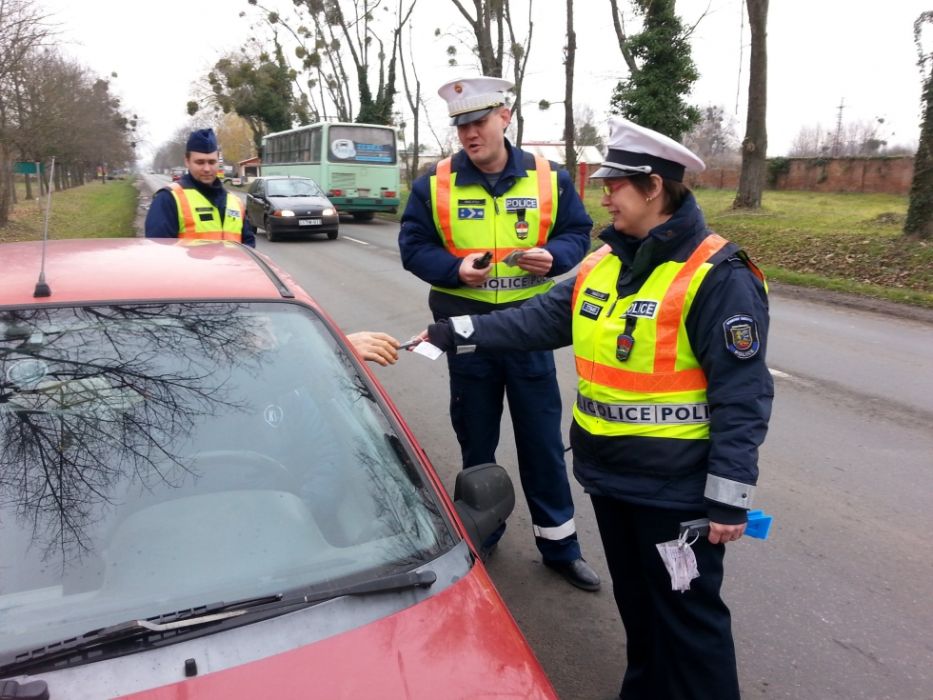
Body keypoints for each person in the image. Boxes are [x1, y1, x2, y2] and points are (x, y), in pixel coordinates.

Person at [422, 117, 774, 700]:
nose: (601, 194)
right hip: (612, 481)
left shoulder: (718, 276)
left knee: (689, 628)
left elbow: (743, 394)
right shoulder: (604, 262)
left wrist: (728, 497)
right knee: (640, 615)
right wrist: (454, 330)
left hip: (675, 494)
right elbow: (538, 319)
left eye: (614, 185)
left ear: (653, 187)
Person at [398, 76, 600, 592]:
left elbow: (579, 232)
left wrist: (556, 257)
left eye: (479, 121)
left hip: (527, 330)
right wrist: (453, 269)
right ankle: (483, 533)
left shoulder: (549, 178)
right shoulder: (434, 183)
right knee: (477, 441)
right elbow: (413, 245)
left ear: (505, 117)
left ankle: (560, 546)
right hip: (468, 335)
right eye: (460, 124)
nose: (469, 132)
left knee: (542, 444)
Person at [145, 128, 256, 247]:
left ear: (218, 161)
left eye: (212, 162)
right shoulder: (168, 199)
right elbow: (158, 253)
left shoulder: (236, 202)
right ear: (187, 161)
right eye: (200, 162)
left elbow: (249, 248)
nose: (207, 169)